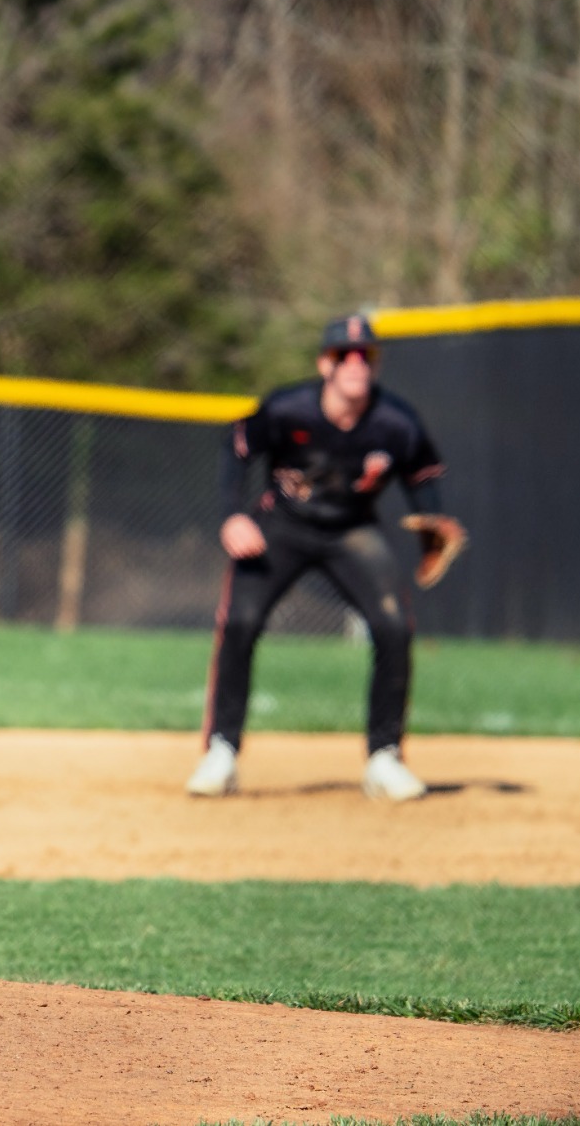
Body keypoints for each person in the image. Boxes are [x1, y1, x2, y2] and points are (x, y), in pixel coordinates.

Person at [187, 314, 463, 801]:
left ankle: (385, 758)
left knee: (395, 626)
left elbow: (423, 473)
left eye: (367, 355)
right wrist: (233, 516)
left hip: (350, 529)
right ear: (324, 364)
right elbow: (236, 447)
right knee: (241, 621)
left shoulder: (395, 423)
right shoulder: (288, 409)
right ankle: (221, 751)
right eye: (344, 355)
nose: (356, 363)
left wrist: (433, 519)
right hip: (282, 525)